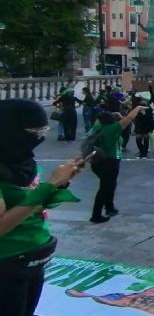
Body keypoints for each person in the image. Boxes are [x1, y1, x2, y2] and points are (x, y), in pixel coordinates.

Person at [0, 99, 83, 316]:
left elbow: (32, 203)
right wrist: (49, 185)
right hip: (8, 261)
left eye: (43, 130)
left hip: (34, 256)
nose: (39, 138)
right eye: (33, 131)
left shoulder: (19, 159)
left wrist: (61, 182)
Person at [87, 105, 145, 223]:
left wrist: (116, 115)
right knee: (105, 188)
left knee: (110, 185)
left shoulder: (98, 127)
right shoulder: (112, 128)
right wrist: (138, 107)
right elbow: (129, 119)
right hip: (109, 161)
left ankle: (110, 207)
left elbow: (110, 119)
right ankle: (96, 215)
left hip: (97, 161)